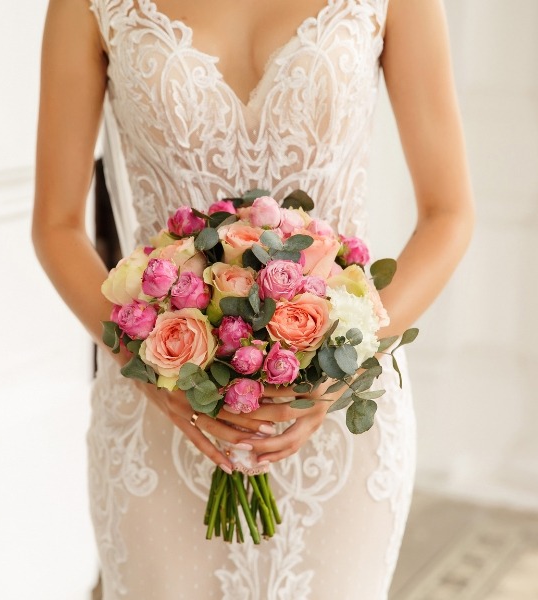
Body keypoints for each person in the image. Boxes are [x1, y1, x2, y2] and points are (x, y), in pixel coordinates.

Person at [32, 0, 474, 598]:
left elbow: (449, 214)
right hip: (159, 414)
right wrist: (150, 372)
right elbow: (57, 224)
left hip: (340, 423)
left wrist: (338, 368)